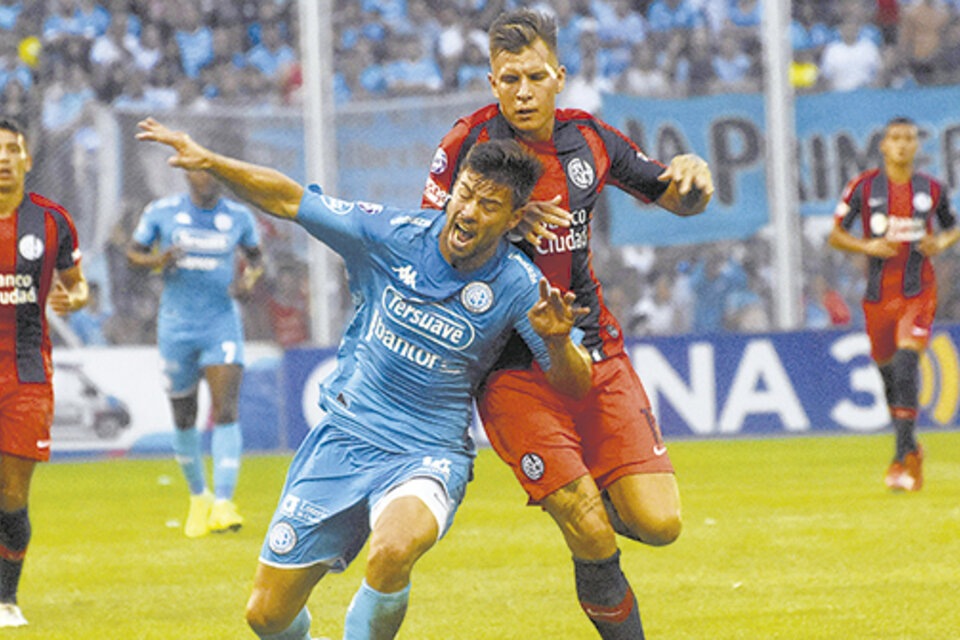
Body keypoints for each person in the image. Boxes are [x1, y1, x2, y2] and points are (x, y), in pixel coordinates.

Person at [136, 117, 593, 640]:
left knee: (393, 549)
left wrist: (557, 342)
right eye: (464, 194)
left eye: (488, 205)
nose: (468, 212)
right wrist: (211, 161)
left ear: (515, 218)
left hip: (427, 453)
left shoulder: (519, 284)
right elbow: (290, 201)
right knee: (266, 617)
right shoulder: (392, 235)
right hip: (344, 436)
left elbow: (577, 385)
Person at [422, 9, 713, 638]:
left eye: (533, 76)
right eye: (507, 79)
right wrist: (490, 225)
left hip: (594, 348)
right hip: (508, 367)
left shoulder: (590, 140)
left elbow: (675, 196)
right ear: (492, 82)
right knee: (587, 526)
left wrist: (697, 177)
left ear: (559, 75)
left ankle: (595, 492)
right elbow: (425, 247)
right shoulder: (466, 145)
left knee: (660, 526)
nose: (521, 91)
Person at [126, 161, 264, 538]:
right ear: (188, 175)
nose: (211, 178)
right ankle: (198, 497)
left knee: (225, 410)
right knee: (184, 416)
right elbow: (132, 255)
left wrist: (248, 282)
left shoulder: (238, 216)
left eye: (216, 171)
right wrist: (157, 260)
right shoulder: (162, 212)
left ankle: (223, 502)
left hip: (221, 323)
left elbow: (255, 259)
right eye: (203, 171)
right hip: (176, 326)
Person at [829, 116, 959, 492]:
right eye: (895, 138)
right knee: (890, 377)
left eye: (909, 138)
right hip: (877, 297)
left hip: (918, 292)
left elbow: (952, 227)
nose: (902, 145)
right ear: (884, 146)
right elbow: (836, 235)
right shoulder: (864, 188)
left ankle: (902, 460)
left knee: (905, 366)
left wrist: (941, 244)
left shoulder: (931, 189)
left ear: (916, 146)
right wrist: (866, 245)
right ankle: (911, 447)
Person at [0, 116, 89, 627]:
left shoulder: (52, 220)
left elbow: (79, 285)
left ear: (27, 159)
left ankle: (7, 598)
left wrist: (73, 297)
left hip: (27, 375)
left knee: (12, 497)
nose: (5, 159)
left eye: (13, 150)